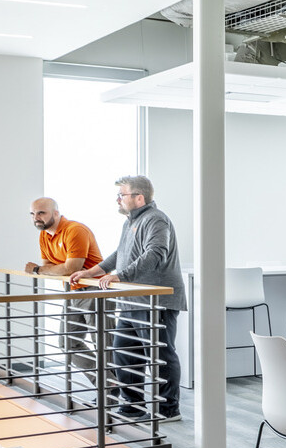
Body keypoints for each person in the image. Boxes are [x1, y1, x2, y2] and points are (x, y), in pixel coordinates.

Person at [69, 175, 186, 423]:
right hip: (132, 300)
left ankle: (169, 410)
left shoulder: (156, 219)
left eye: (122, 194)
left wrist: (120, 276)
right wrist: (92, 272)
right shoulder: (130, 223)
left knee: (161, 355)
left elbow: (155, 253)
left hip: (156, 301)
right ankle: (133, 407)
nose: (118, 199)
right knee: (123, 353)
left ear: (139, 197)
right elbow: (119, 253)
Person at [25, 197, 103, 372]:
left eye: (41, 213)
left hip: (95, 288)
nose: (36, 217)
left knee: (103, 343)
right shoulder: (44, 235)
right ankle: (109, 386)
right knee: (67, 343)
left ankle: (117, 393)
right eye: (32, 214)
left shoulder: (75, 230)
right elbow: (50, 267)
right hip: (71, 290)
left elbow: (71, 267)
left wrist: (39, 269)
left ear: (56, 213)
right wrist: (52, 269)